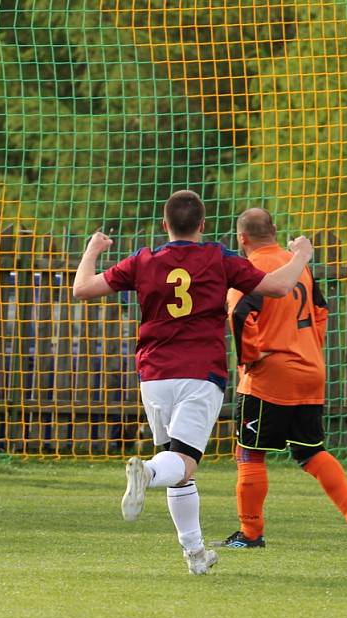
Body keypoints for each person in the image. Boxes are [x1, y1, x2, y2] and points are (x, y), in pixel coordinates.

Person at [72, 190, 314, 575]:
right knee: (180, 464)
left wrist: (93, 248)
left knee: (179, 465)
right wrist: (301, 254)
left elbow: (81, 289)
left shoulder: (144, 260)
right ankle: (147, 472)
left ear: (165, 225)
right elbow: (279, 287)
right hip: (200, 374)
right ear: (203, 225)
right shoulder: (218, 258)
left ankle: (195, 553)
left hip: (154, 376)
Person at [217, 207, 347, 549]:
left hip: (269, 376)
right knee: (310, 451)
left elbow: (242, 313)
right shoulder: (297, 266)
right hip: (309, 369)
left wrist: (251, 357)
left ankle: (250, 534)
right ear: (273, 231)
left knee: (249, 454)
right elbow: (321, 309)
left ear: (242, 238)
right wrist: (307, 347)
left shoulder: (249, 270)